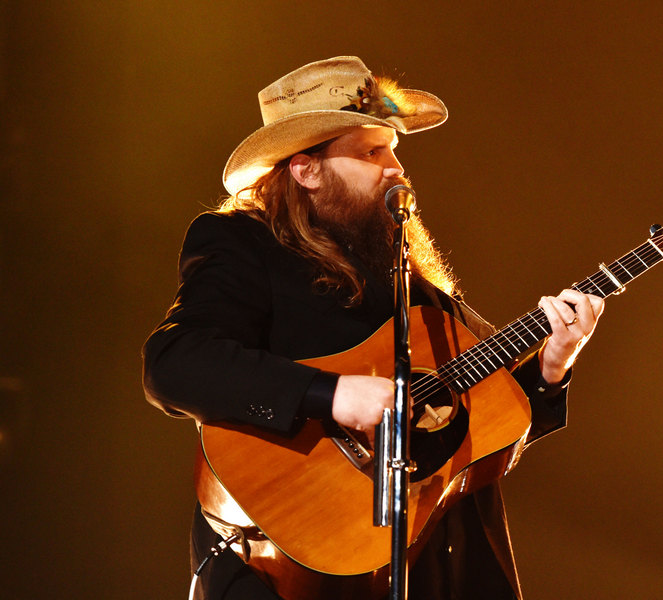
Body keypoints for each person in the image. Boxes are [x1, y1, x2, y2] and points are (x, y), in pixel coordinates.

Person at [142, 56, 604, 600]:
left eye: (393, 152)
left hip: (439, 566)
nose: (395, 168)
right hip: (284, 569)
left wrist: (552, 367)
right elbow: (176, 362)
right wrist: (332, 395)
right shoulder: (245, 243)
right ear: (305, 169)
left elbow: (484, 437)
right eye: (371, 152)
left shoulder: (413, 284)